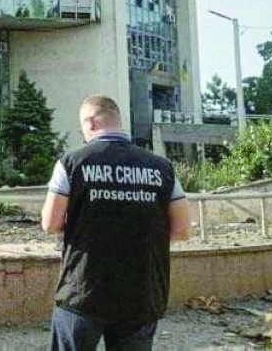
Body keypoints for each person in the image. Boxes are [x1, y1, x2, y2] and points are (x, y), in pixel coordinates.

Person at [41, 95, 192, 350]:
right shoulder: (161, 167)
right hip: (142, 292)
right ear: (118, 121)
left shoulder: (72, 162)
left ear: (91, 122)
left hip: (83, 290)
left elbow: (50, 223)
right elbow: (183, 230)